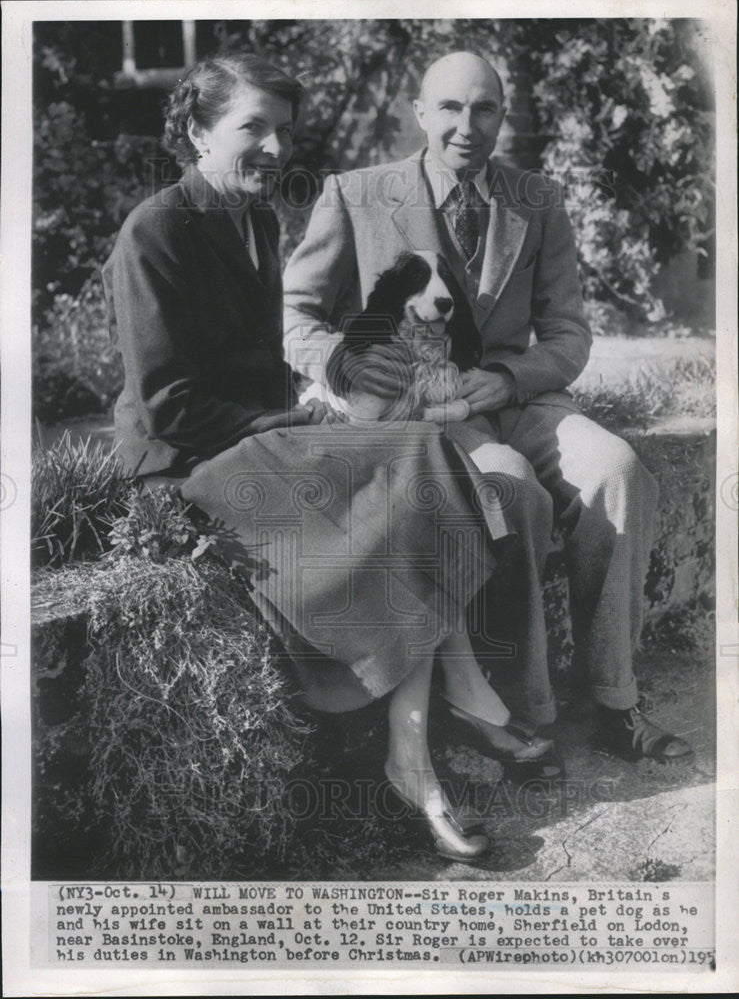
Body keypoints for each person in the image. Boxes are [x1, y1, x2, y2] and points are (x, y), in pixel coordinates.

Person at [102, 52, 555, 866]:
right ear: (198, 131)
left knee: (414, 453)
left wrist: (334, 389)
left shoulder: (249, 218)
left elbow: (278, 350)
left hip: (257, 437)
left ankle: (412, 751)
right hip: (185, 462)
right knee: (401, 464)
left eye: (282, 132)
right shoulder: (156, 229)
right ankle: (446, 719)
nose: (274, 150)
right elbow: (168, 405)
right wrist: (301, 417)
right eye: (252, 129)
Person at [282, 50, 694, 764]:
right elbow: (293, 315)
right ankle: (520, 708)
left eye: (483, 109)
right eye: (448, 108)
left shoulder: (537, 199)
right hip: (419, 416)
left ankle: (613, 701)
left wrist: (509, 379)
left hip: (513, 398)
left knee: (618, 470)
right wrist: (352, 366)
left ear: (502, 116)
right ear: (418, 112)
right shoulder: (355, 194)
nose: (464, 126)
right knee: (511, 488)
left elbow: (566, 330)